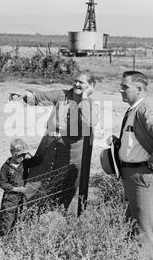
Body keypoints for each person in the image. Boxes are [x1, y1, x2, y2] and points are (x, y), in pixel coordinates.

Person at [107, 70, 153, 260]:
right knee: (134, 229)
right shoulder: (133, 110)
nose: (121, 90)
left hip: (144, 178)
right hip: (133, 176)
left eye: (125, 87)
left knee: (146, 234)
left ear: (139, 89)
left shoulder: (144, 110)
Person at [9, 71, 99, 210]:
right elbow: (43, 96)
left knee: (65, 182)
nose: (76, 84)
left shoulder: (90, 104)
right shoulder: (61, 95)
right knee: (38, 176)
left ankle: (57, 213)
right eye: (75, 80)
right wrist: (26, 96)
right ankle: (28, 210)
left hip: (72, 150)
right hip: (50, 143)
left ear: (91, 86)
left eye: (81, 82)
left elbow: (90, 121)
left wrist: (85, 98)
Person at [0, 138, 42, 233]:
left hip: (22, 198)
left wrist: (29, 153)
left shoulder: (25, 163)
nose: (22, 157)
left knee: (19, 217)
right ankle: (4, 239)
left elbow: (38, 160)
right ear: (11, 152)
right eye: (19, 155)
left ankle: (15, 236)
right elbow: (2, 183)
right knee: (7, 220)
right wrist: (16, 189)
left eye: (23, 155)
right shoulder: (6, 167)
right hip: (10, 199)